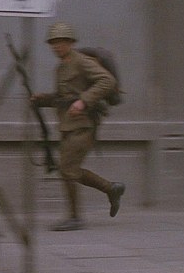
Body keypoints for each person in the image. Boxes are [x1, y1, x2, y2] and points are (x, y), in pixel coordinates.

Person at [31, 22, 125, 231]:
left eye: (61, 41)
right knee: (69, 170)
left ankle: (76, 216)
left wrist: (84, 101)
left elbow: (107, 81)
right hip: (68, 126)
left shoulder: (82, 61)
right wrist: (42, 100)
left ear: (71, 42)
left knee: (67, 169)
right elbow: (63, 98)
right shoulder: (60, 68)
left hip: (84, 125)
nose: (57, 46)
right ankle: (111, 189)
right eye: (53, 42)